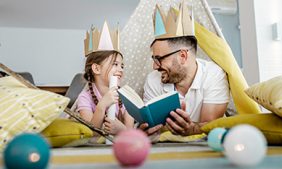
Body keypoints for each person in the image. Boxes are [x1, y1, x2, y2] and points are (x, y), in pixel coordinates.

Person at [140, 2, 230, 136]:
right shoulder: (153, 79)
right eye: (154, 59)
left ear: (183, 56)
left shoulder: (214, 74)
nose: (155, 66)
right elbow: (153, 126)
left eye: (159, 59)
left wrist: (191, 129)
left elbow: (210, 126)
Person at [75, 22, 134, 135]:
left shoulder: (126, 97)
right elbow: (92, 135)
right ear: (97, 69)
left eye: (122, 66)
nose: (121, 69)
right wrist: (101, 106)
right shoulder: (85, 98)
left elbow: (131, 135)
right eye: (115, 64)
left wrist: (122, 130)